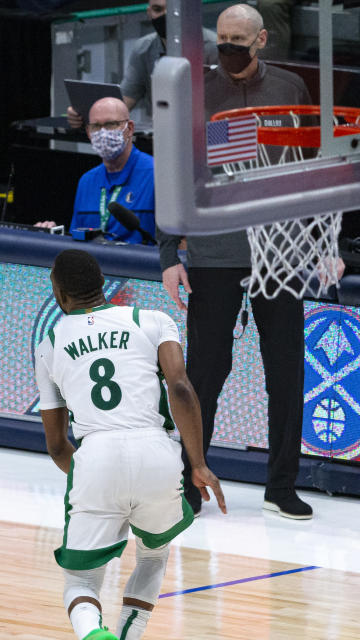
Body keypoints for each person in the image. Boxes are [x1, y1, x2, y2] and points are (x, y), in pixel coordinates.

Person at [157, 3, 316, 520]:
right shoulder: (197, 93)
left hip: (278, 253)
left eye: (238, 41)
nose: (227, 49)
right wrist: (168, 254)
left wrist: (320, 245)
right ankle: (187, 477)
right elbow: (175, 174)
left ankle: (281, 485)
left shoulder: (290, 88)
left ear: (262, 40)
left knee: (285, 371)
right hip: (213, 251)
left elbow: (307, 171)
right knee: (205, 370)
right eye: (221, 39)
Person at [35, 249, 226, 640]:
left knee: (81, 581)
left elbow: (56, 446)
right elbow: (180, 387)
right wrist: (199, 464)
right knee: (154, 555)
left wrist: (99, 481)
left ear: (59, 293)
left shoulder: (49, 344)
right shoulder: (153, 320)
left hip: (95, 456)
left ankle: (93, 635)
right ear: (102, 283)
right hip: (157, 452)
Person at [66, 0, 218, 128]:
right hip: (161, 137)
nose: (164, 16)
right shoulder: (144, 48)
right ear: (149, 12)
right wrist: (87, 114)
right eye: (157, 9)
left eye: (171, 10)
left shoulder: (213, 47)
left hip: (207, 136)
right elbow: (124, 101)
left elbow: (226, 107)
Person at [38, 97, 155, 244]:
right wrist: (52, 236)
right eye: (96, 126)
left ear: (130, 129)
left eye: (111, 124)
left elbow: (181, 243)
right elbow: (77, 240)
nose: (103, 132)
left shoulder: (155, 175)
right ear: (88, 132)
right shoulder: (87, 181)